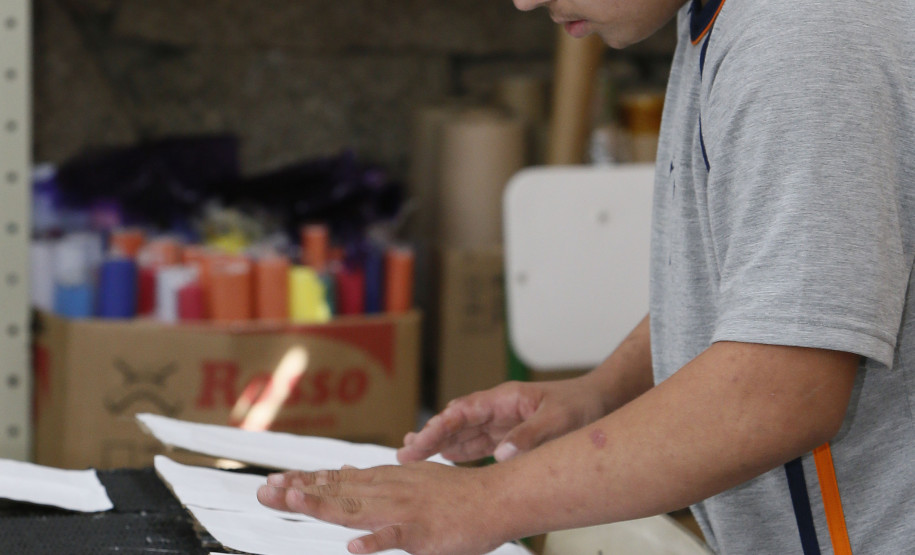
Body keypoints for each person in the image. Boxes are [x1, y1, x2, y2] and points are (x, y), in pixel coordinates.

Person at [257, 0, 915, 553]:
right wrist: (599, 392)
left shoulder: (802, 45)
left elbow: (782, 387)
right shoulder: (735, 19)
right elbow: (764, 283)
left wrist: (487, 499)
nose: (522, 1)